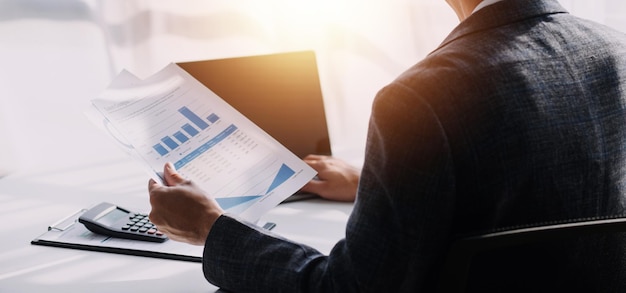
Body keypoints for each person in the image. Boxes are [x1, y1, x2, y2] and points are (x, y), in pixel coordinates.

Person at [148, 0, 626, 291]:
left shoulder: (422, 96)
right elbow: (564, 188)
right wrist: (372, 183)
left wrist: (213, 229)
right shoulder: (617, 51)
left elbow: (351, 288)